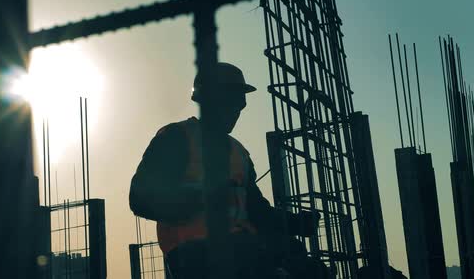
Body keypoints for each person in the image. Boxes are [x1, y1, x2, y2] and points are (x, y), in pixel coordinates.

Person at [129, 62, 329, 279]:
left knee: (306, 265)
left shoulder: (238, 152)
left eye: (240, 104)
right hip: (195, 256)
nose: (236, 111)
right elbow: (140, 198)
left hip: (241, 249)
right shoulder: (177, 138)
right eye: (230, 102)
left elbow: (256, 209)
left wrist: (294, 223)